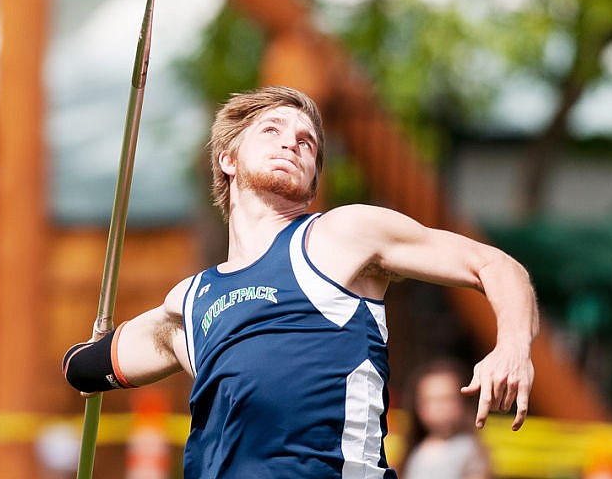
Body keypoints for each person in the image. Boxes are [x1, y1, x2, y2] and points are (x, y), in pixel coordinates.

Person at [63, 86, 539, 478]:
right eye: (271, 130)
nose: (291, 142)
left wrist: (513, 345)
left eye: (306, 141)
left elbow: (494, 265)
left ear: (312, 182)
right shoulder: (189, 303)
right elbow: (90, 363)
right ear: (228, 159)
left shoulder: (340, 237)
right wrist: (81, 364)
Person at [401, 358, 492, 479]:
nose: (440, 408)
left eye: (447, 399)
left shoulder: (468, 448)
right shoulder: (414, 450)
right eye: (431, 400)